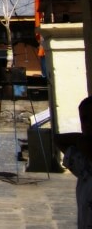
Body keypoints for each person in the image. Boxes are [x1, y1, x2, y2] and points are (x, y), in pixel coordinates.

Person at [57, 97, 92, 228]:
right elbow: (58, 139)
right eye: (84, 119)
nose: (88, 124)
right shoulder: (84, 164)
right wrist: (82, 140)